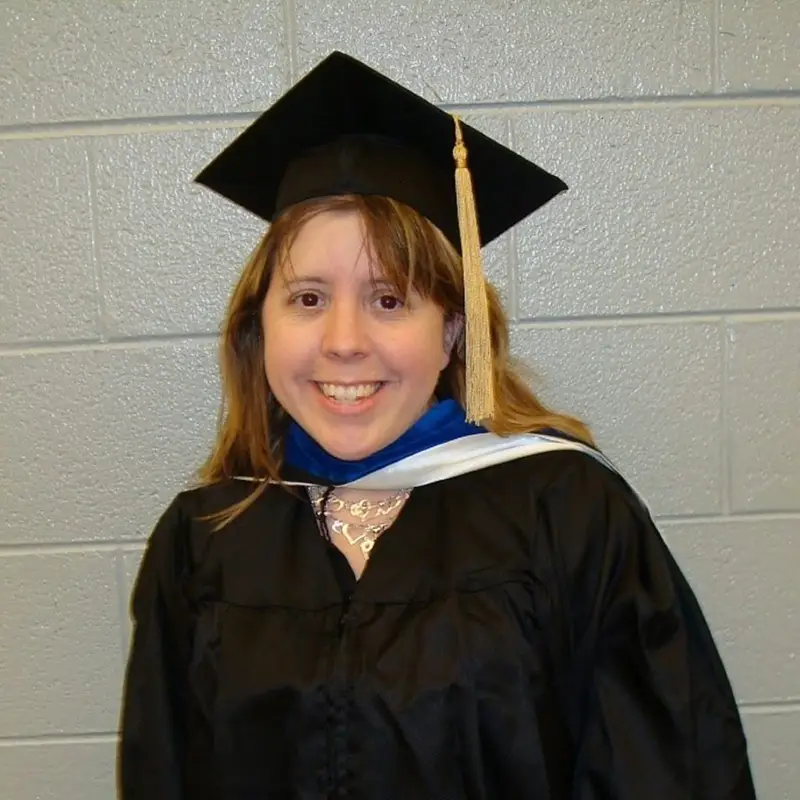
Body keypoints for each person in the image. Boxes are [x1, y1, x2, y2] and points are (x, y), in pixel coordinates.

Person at [118, 52, 756, 799]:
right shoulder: (203, 539)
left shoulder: (568, 511)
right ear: (259, 327)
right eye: (308, 299)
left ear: (453, 331)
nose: (344, 340)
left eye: (390, 300)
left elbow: (667, 770)